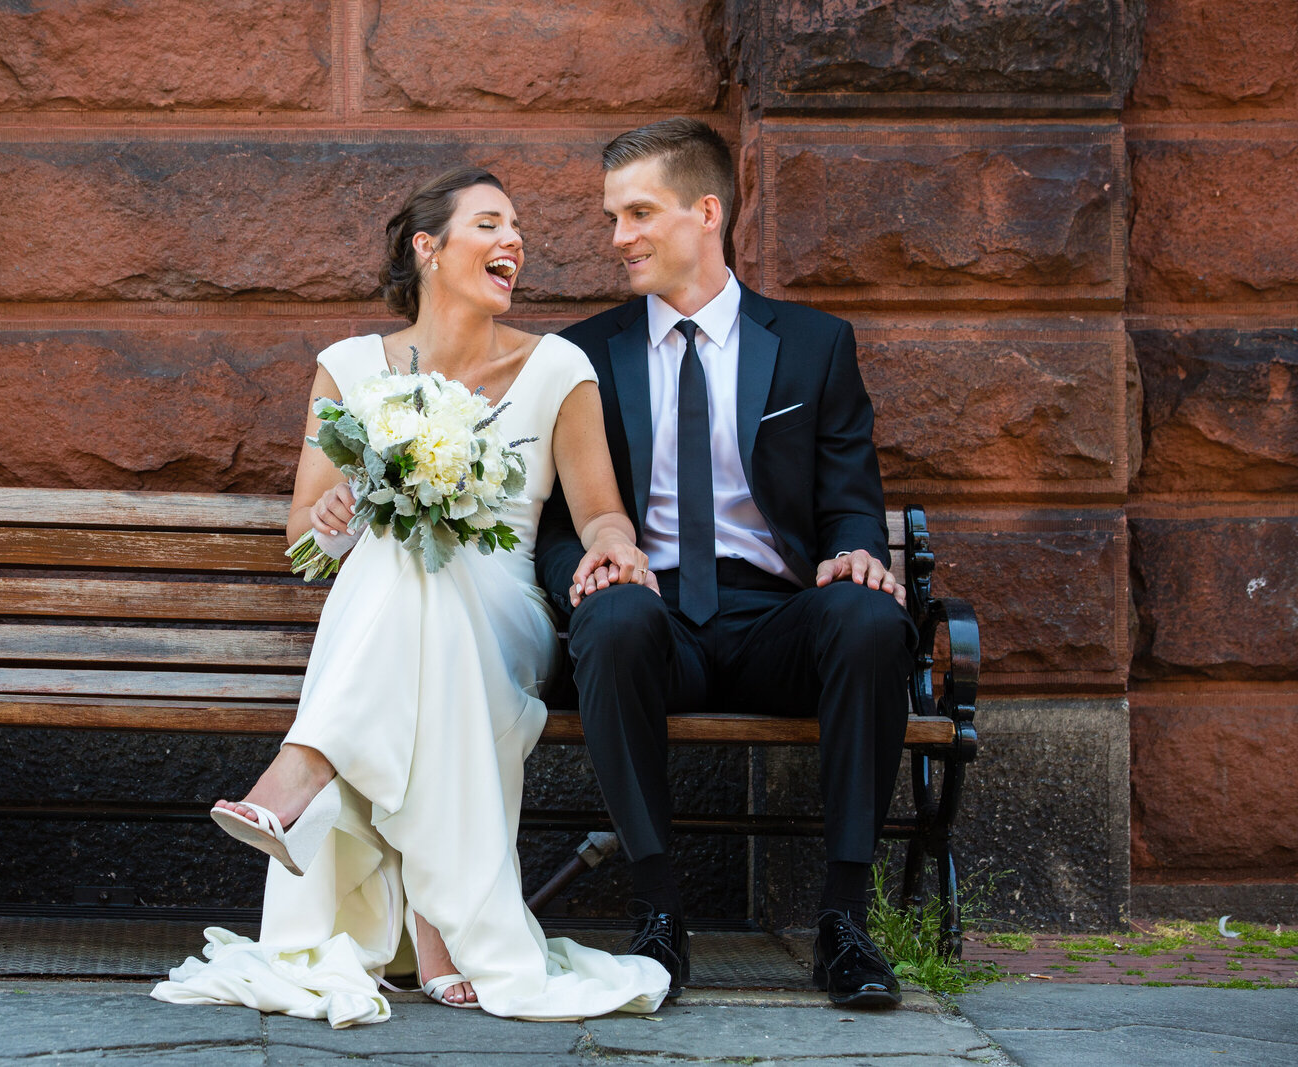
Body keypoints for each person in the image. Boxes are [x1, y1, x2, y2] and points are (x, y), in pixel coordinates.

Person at [152, 167, 670, 1025]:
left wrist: (616, 546)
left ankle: (302, 770)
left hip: (507, 610)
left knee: (431, 574)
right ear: (429, 249)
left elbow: (599, 510)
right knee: (404, 557)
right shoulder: (350, 367)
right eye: (490, 225)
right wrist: (334, 512)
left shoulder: (557, 369)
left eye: (518, 230)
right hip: (393, 601)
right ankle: (440, 921)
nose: (515, 243)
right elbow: (305, 541)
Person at [534, 119, 917, 1009]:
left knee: (870, 618)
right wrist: (588, 561)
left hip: (778, 618)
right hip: (655, 612)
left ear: (706, 212)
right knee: (613, 616)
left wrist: (858, 553)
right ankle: (659, 919)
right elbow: (551, 523)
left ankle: (844, 925)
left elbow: (851, 496)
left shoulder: (816, 345)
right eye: (611, 216)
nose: (616, 236)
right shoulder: (584, 354)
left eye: (637, 213)